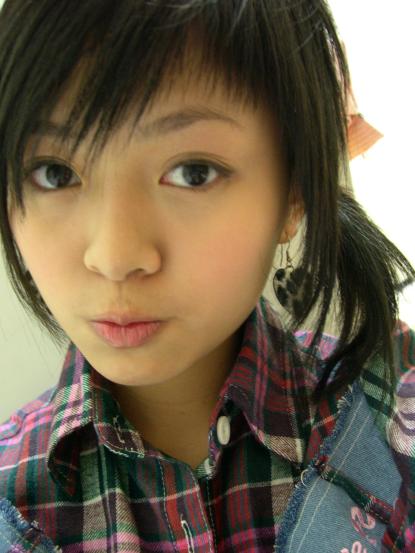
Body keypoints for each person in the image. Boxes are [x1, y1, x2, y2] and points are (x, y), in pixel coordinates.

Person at [0, 1, 414, 551]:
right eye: (55, 174)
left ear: (293, 192)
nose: (115, 257)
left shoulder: (395, 406)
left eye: (192, 173)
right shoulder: (13, 501)